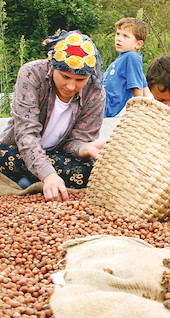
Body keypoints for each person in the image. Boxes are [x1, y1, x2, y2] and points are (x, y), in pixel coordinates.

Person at [0, 30, 106, 201]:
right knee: (4, 156)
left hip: (59, 157)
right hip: (19, 151)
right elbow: (26, 133)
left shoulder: (95, 92)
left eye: (80, 80)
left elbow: (76, 141)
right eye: (65, 77)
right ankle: (40, 179)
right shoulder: (31, 74)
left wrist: (84, 148)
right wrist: (48, 174)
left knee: (91, 172)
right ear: (52, 66)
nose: (71, 86)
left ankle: (27, 180)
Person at [103, 17, 150, 117]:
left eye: (125, 36)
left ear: (138, 44)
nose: (119, 38)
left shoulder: (132, 57)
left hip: (106, 106)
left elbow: (137, 87)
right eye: (118, 34)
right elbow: (144, 86)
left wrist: (138, 113)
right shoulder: (122, 58)